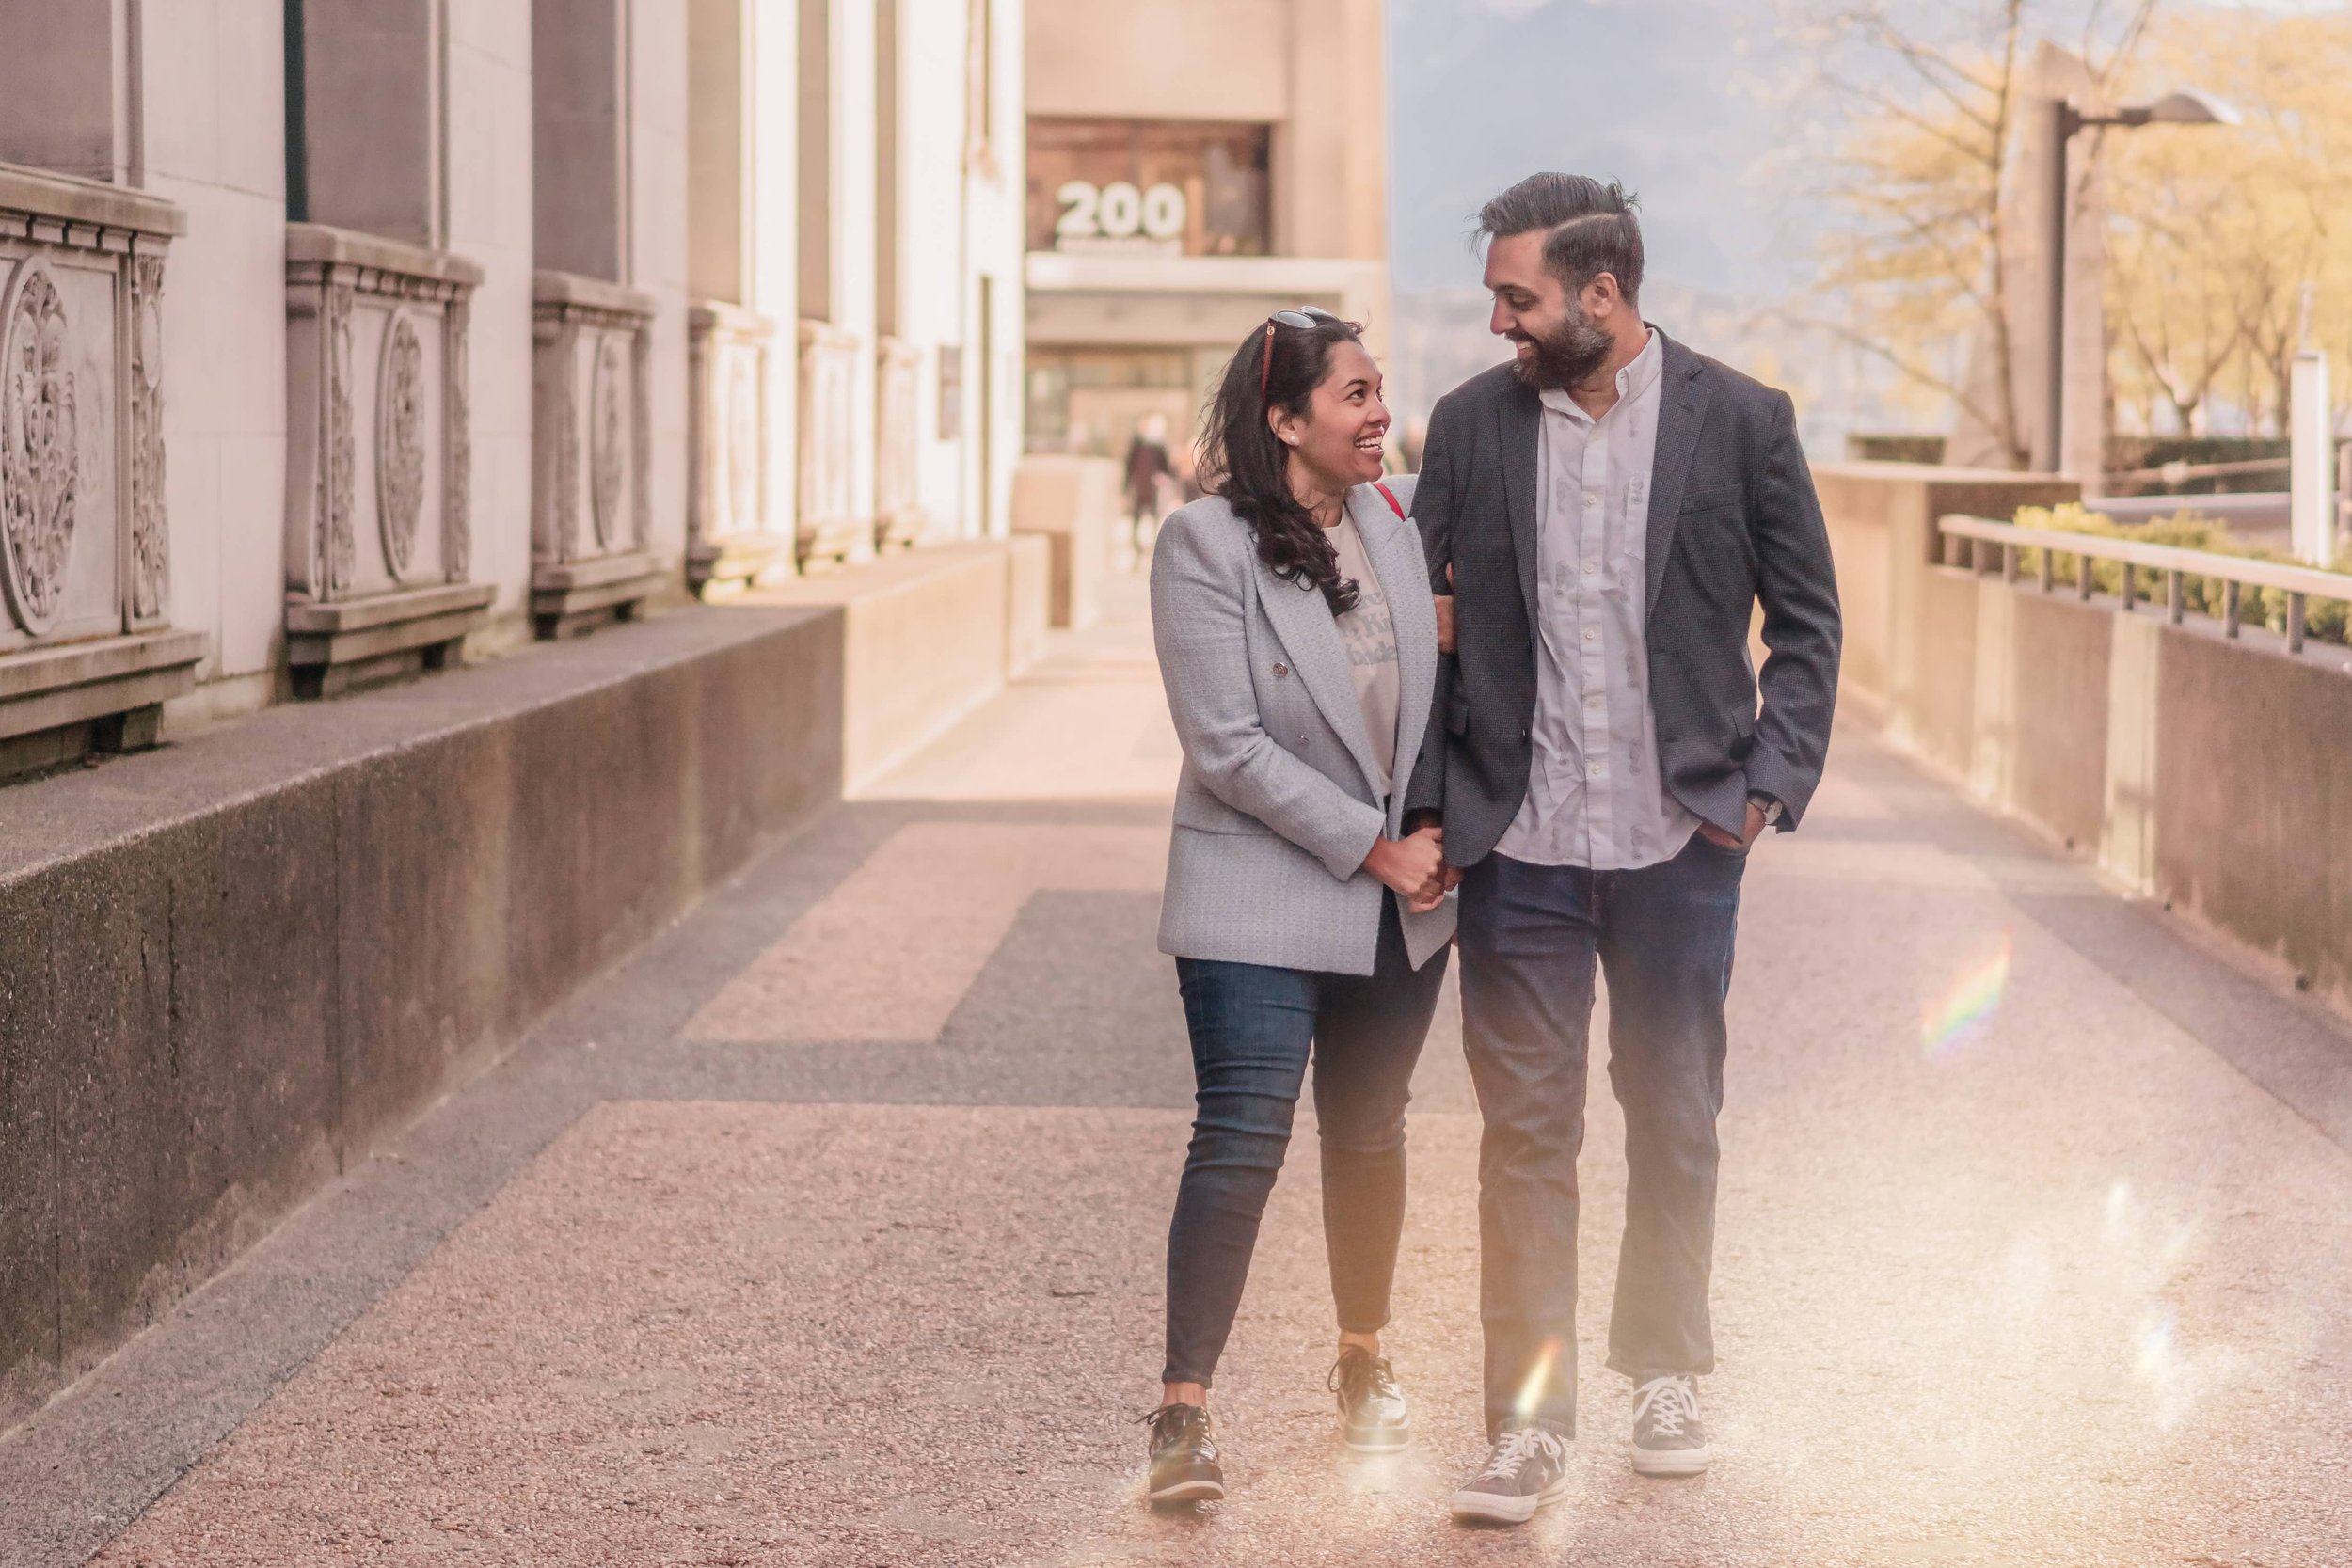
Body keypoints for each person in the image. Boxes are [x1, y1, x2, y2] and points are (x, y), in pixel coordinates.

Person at [1401, 175, 1841, 1525]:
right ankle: (1527, 1424)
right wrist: (1428, 807)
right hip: (1518, 840)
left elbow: (1809, 622)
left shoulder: (1745, 420)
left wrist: (1767, 783)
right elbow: (1425, 636)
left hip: (1678, 838)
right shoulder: (1472, 426)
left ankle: (1665, 1369)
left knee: (1673, 1113)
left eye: (1517, 296)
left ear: (1602, 295)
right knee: (1523, 1134)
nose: (1498, 323)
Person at [1142, 307, 1457, 1505]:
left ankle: (1364, 1363)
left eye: (1383, 392)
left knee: (1371, 1135)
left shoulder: (1401, 520)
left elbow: (1463, 689)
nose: (1382, 415)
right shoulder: (1202, 543)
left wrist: (1442, 835)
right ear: (1285, 419)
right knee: (1240, 1136)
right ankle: (1181, 1415)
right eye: (1356, 396)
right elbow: (1223, 744)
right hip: (1258, 885)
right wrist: (1372, 848)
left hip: (1402, 897)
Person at [1125, 413, 1175, 552]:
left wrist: (1163, 478)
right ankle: (1135, 544)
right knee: (1137, 515)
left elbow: (1165, 467)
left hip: (1153, 484)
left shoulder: (1158, 445)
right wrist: (1126, 488)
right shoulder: (1136, 444)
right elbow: (1129, 466)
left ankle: (1154, 542)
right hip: (1140, 483)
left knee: (1154, 513)